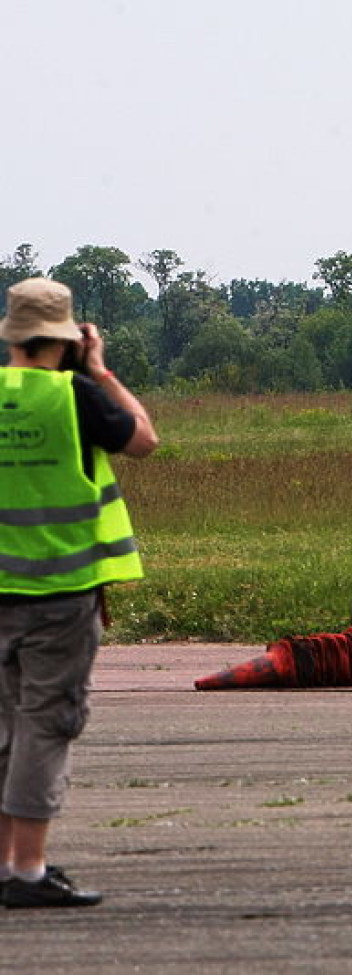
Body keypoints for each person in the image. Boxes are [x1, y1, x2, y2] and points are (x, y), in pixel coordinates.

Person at [0, 277, 159, 909]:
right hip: (59, 594)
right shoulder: (76, 396)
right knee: (46, 725)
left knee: (4, 728)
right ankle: (28, 871)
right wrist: (101, 371)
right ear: (67, 339)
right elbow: (143, 439)